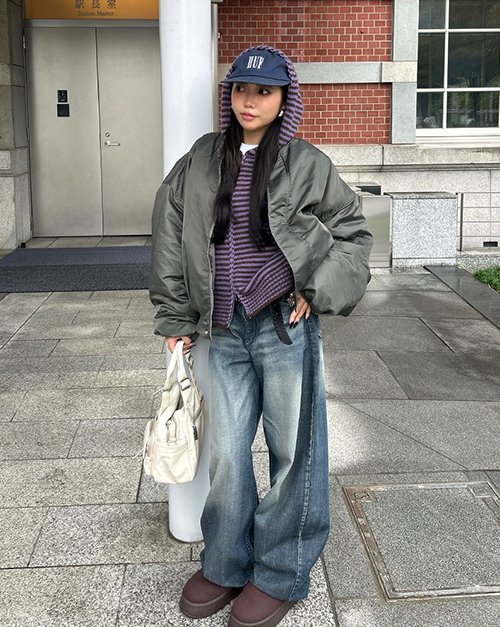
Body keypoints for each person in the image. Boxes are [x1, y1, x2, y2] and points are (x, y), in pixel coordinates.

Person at [149, 46, 372, 627]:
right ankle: (226, 561)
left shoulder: (307, 162)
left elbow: (353, 235)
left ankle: (281, 572)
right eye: (241, 90)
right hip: (222, 329)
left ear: (283, 98)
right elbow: (170, 233)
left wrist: (314, 288)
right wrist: (175, 318)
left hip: (283, 327)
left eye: (264, 91)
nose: (250, 101)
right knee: (225, 453)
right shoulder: (202, 158)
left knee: (293, 453)